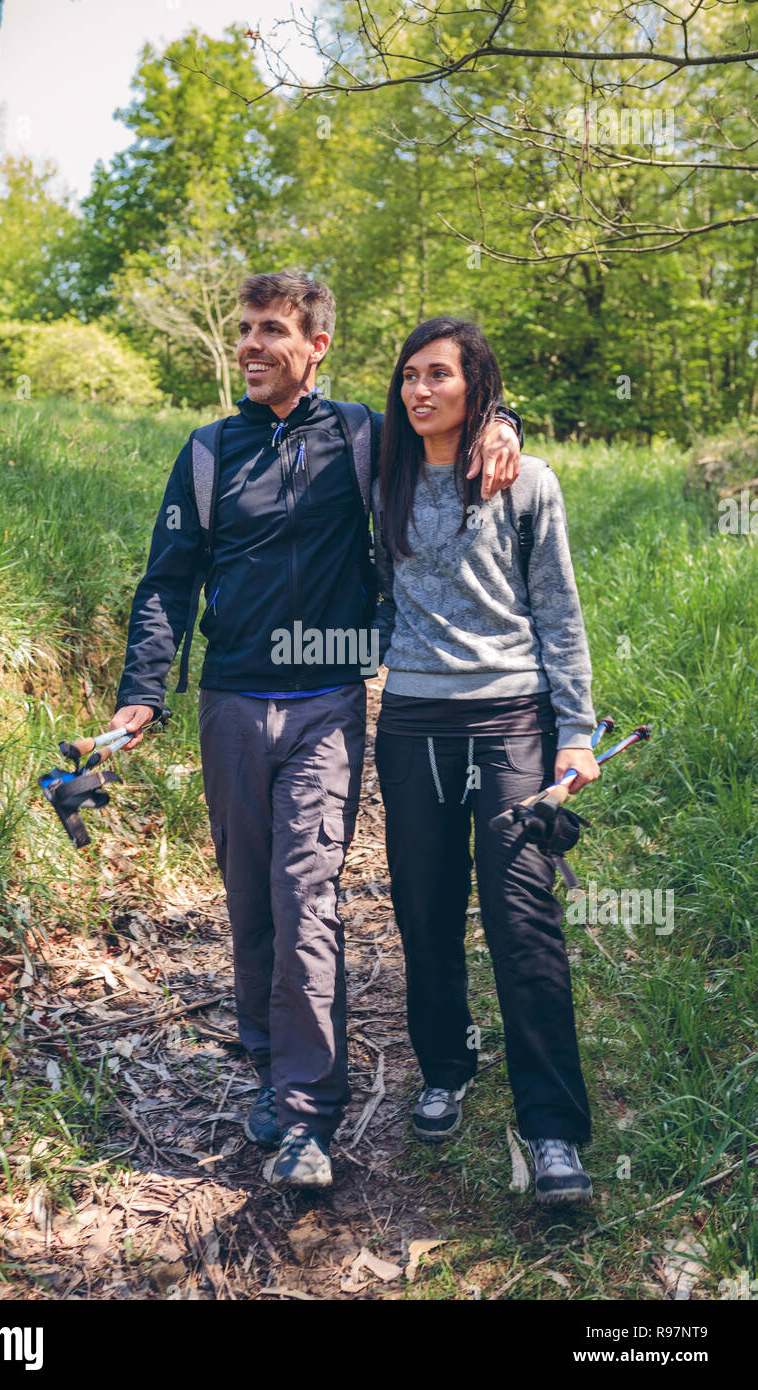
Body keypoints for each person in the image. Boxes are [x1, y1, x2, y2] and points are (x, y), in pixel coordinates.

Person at [109, 274, 523, 1189]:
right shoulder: (210, 453)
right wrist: (143, 692)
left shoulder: (361, 439)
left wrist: (506, 423)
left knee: (306, 897)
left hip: (330, 699)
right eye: (245, 330)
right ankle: (268, 1063)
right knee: (251, 897)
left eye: (272, 331)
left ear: (316, 345)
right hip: (229, 701)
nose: (252, 346)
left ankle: (305, 1114)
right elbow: (167, 580)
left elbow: (451, 415)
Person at [372, 316, 599, 1204]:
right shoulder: (378, 477)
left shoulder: (527, 479)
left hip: (511, 721)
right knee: (423, 907)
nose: (420, 390)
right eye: (409, 376)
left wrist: (574, 730)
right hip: (414, 723)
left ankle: (552, 1130)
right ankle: (446, 1066)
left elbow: (559, 612)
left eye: (440, 376)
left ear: (476, 389)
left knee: (521, 917)